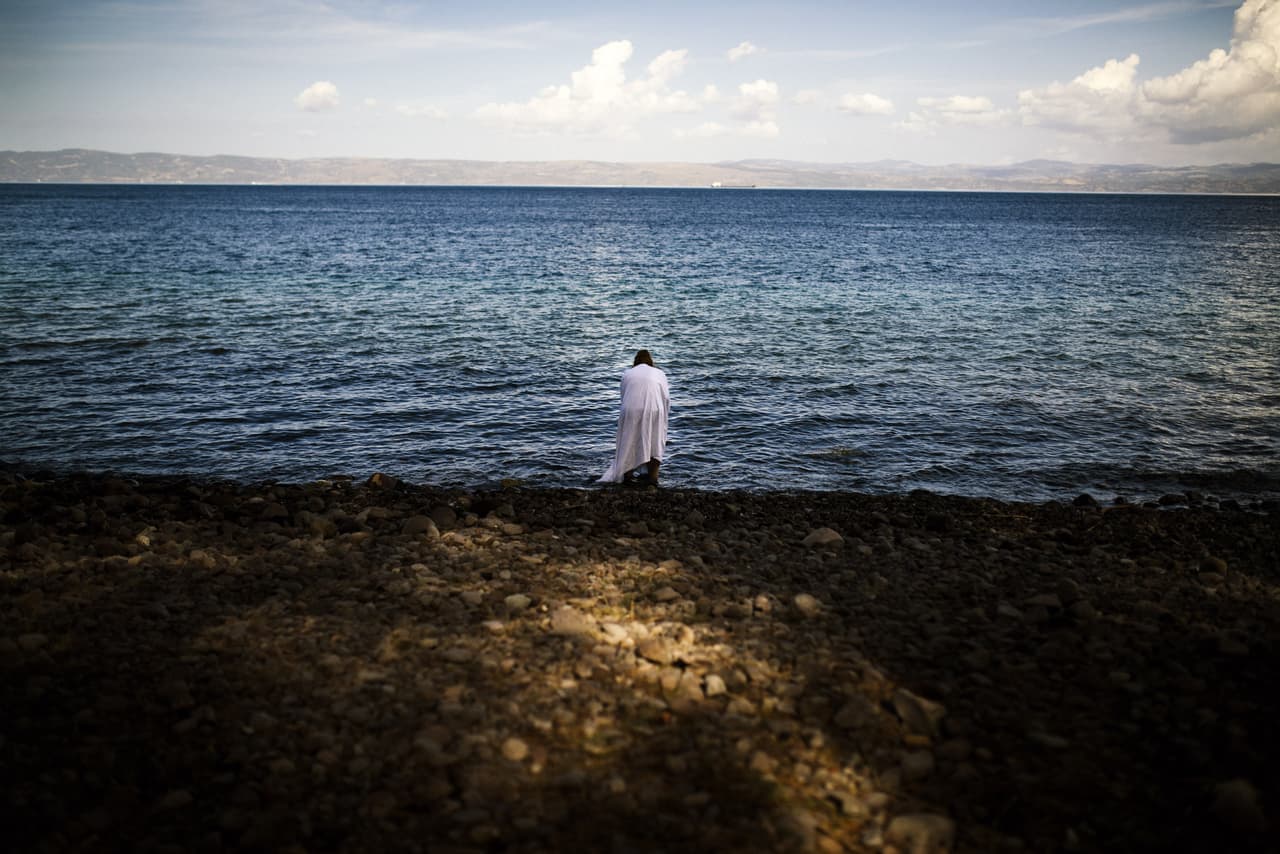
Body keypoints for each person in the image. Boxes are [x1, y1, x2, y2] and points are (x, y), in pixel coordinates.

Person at [599, 349, 669, 485]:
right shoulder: (660, 373)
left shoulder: (627, 373)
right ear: (650, 361)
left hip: (630, 407)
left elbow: (624, 395)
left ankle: (628, 475)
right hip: (655, 408)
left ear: (635, 362)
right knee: (654, 440)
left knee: (629, 439)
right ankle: (653, 477)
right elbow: (665, 397)